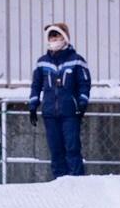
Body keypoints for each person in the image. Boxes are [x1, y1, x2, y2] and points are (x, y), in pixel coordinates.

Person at [27, 22, 90, 179]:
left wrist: (82, 103)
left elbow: (84, 84)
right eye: (51, 36)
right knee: (55, 150)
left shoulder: (76, 60)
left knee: (72, 147)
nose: (54, 39)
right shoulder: (42, 62)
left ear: (65, 37)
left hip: (70, 112)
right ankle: (59, 182)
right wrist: (33, 106)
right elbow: (36, 85)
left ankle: (77, 181)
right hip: (49, 113)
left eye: (57, 35)